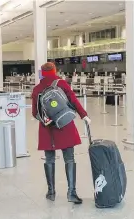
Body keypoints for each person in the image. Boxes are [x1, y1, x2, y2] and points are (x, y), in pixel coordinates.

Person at [31, 62, 91, 204]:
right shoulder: (61, 83)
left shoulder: (37, 89)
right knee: (69, 159)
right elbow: (73, 100)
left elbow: (34, 113)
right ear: (54, 71)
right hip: (65, 125)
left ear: (42, 73)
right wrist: (84, 116)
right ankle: (71, 193)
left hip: (47, 129)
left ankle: (51, 192)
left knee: (49, 159)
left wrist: (46, 120)